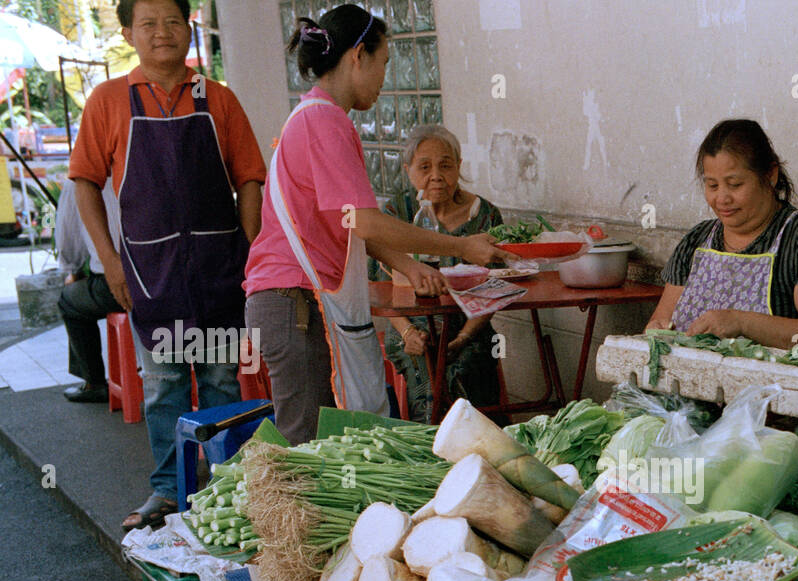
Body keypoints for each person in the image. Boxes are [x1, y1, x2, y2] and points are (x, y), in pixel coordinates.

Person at [244, 5, 507, 445]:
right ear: (357, 56)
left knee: (325, 445)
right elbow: (365, 221)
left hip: (291, 302)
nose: (385, 78)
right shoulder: (325, 121)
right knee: (311, 449)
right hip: (294, 304)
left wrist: (407, 265)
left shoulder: (312, 115)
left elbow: (345, 223)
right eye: (384, 63)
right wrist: (461, 249)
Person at [70, 0, 267, 530]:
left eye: (173, 21)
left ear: (189, 28)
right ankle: (169, 489)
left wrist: (248, 244)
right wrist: (110, 263)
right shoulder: (110, 100)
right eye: (150, 24)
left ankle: (233, 488)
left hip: (219, 271)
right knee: (163, 386)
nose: (163, 33)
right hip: (149, 274)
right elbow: (85, 183)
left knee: (224, 381)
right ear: (130, 32)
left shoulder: (216, 98)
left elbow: (250, 175)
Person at [645, 119, 798, 347]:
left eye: (735, 184)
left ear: (770, 176)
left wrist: (743, 323)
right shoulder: (696, 241)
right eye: (713, 186)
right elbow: (660, 321)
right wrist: (657, 331)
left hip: (773, 383)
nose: (722, 198)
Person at [368, 124, 504, 421]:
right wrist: (406, 332)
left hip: (469, 325)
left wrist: (465, 337)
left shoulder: (486, 215)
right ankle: (435, 447)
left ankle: (479, 448)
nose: (436, 176)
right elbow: (380, 287)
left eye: (446, 165)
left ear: (459, 167)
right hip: (410, 325)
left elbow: (495, 287)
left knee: (462, 363)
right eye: (424, 167)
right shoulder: (396, 213)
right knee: (427, 363)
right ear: (408, 170)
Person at [54, 178, 122, 402]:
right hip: (167, 275)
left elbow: (68, 240)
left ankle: (94, 381)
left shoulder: (81, 180)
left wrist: (73, 270)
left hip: (115, 282)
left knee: (69, 300)